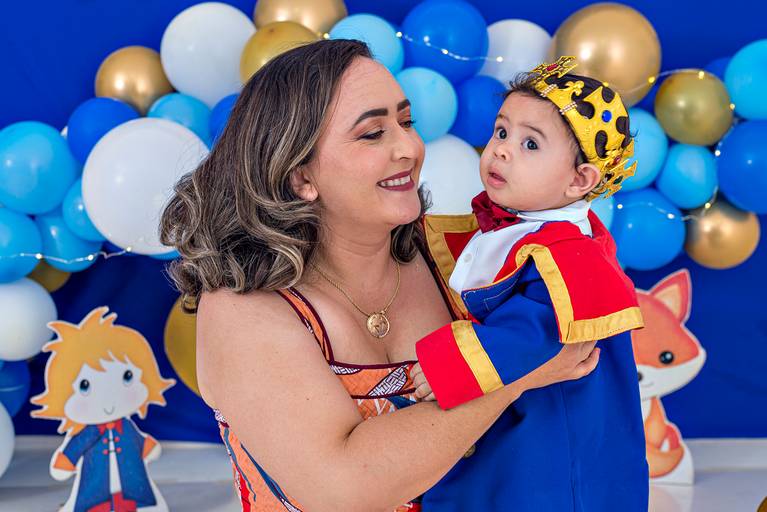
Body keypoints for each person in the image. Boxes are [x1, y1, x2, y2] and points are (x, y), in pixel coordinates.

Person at [159, 40, 601, 512]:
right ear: (300, 176)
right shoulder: (243, 309)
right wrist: (511, 374)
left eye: (406, 123)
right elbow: (343, 488)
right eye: (372, 134)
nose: (409, 148)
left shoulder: (461, 254)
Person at [411, 56, 649, 511]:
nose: (501, 150)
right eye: (501, 132)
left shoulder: (571, 252)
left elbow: (537, 331)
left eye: (530, 144)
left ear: (580, 179)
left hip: (558, 437)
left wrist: (452, 365)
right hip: (524, 414)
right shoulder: (525, 229)